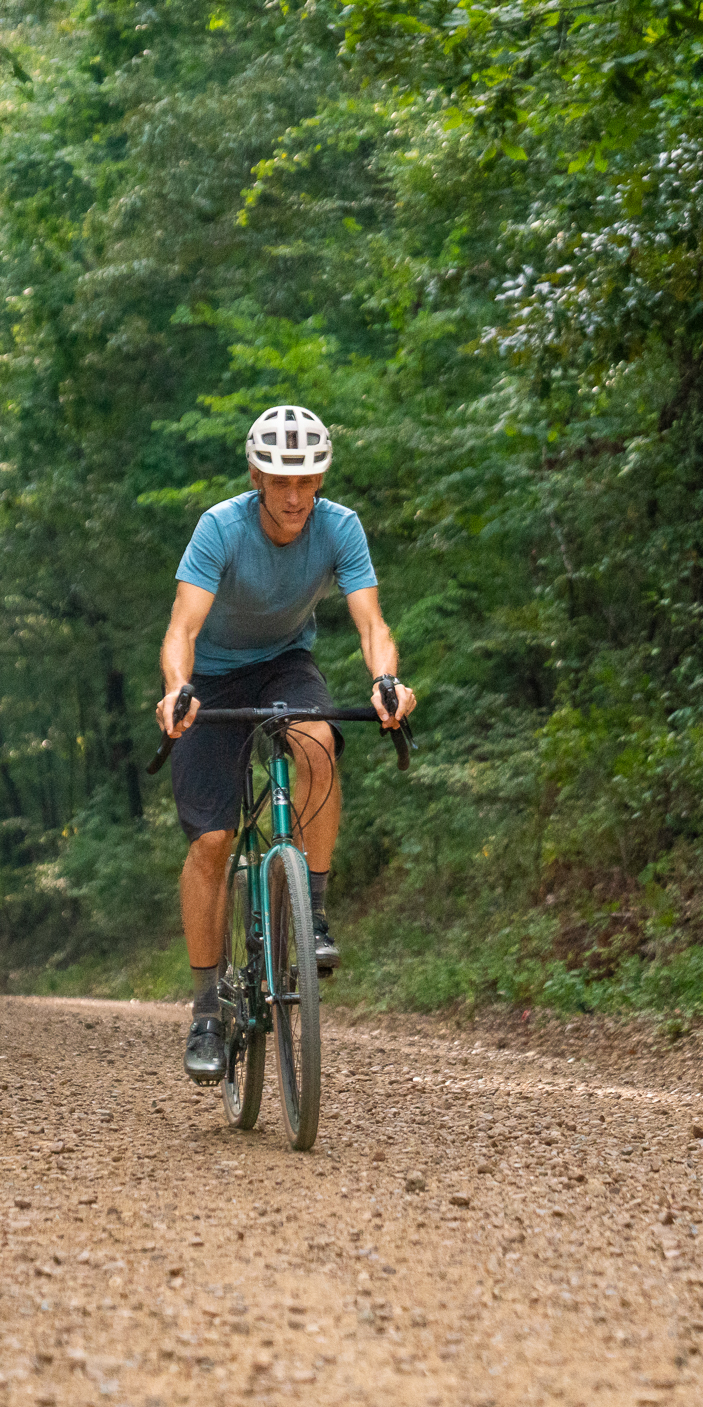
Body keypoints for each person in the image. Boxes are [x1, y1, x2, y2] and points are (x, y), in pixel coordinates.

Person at [154, 404, 415, 1083]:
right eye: (279, 481)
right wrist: (178, 689)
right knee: (211, 842)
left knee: (318, 741)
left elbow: (372, 623)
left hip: (285, 664)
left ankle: (312, 913)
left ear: (320, 478)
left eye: (305, 480)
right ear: (257, 478)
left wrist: (387, 682)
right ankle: (206, 1013)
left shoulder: (340, 527)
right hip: (211, 678)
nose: (294, 496)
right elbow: (182, 627)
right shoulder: (220, 528)